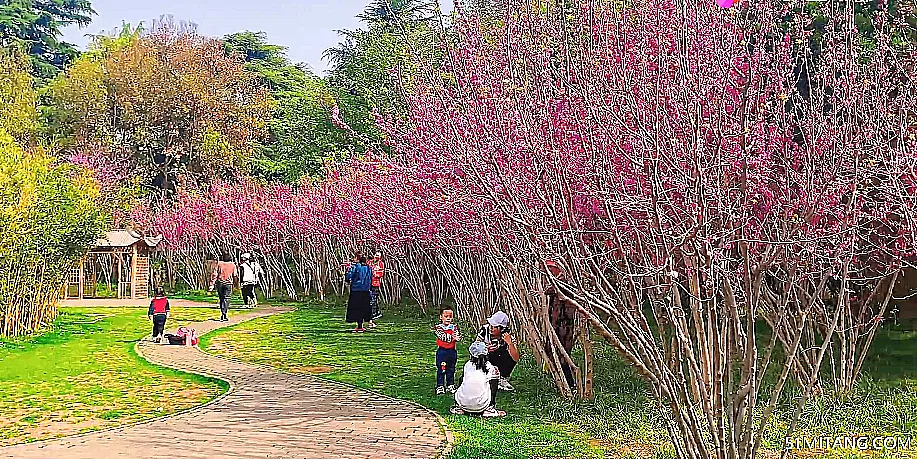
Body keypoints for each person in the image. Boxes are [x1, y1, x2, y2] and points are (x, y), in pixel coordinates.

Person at [545, 260, 579, 391]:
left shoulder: (563, 283)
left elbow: (551, 291)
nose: (549, 271)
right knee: (552, 350)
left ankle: (570, 384)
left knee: (563, 354)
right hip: (556, 324)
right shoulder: (555, 281)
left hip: (564, 326)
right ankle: (562, 380)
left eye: (551, 268)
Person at [450, 341, 506, 418]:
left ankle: (459, 407)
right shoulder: (490, 367)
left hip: (462, 403)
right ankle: (490, 408)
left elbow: (462, 381)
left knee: (463, 379)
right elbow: (493, 385)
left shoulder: (467, 365)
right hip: (481, 405)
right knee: (494, 380)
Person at [475, 311, 520, 391]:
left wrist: (509, 343)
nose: (491, 328)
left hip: (499, 359)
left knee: (507, 352)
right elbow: (475, 346)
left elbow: (516, 358)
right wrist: (485, 348)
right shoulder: (485, 330)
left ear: (501, 328)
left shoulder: (508, 335)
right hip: (487, 358)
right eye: (490, 325)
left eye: (494, 326)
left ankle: (501, 378)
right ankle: (483, 376)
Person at [434, 308, 462, 395]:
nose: (448, 318)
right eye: (446, 316)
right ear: (441, 317)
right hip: (442, 352)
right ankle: (440, 386)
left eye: (450, 316)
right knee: (442, 369)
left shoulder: (454, 327)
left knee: (451, 369)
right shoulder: (438, 328)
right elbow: (444, 337)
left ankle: (450, 384)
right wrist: (453, 337)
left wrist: (455, 337)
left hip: (452, 351)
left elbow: (457, 335)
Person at [345, 254, 373, 332]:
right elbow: (371, 278)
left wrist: (347, 279)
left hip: (356, 290)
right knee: (364, 308)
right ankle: (361, 325)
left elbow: (349, 276)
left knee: (356, 308)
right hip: (366, 290)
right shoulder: (369, 268)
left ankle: (359, 325)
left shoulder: (355, 267)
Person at [209, 252, 237, 322]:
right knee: (226, 298)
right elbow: (235, 275)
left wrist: (212, 284)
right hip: (228, 283)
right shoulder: (232, 265)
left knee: (221, 298)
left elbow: (215, 274)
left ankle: (223, 313)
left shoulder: (219, 264)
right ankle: (224, 313)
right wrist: (236, 284)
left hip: (220, 283)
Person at [367, 250, 385, 328]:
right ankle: (376, 313)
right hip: (368, 283)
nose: (376, 256)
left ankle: (372, 316)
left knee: (373, 300)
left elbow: (381, 274)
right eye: (376, 255)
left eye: (378, 255)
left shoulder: (381, 264)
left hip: (375, 284)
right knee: (369, 300)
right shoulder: (369, 262)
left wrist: (374, 273)